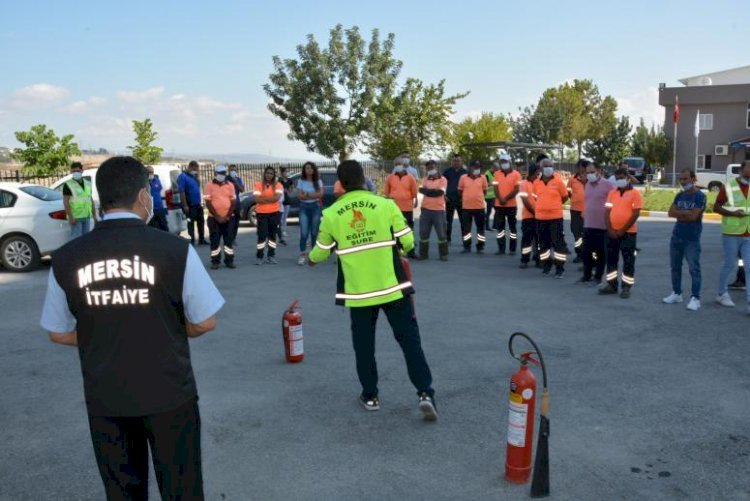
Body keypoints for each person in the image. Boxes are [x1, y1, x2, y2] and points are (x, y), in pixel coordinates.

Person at [40, 156, 224, 500]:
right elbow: (204, 321)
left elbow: (58, 331)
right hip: (170, 393)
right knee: (182, 488)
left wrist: (104, 330)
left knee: (123, 492)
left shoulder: (67, 257)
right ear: (143, 195)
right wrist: (163, 326)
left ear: (100, 198)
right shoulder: (174, 250)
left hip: (106, 398)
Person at [308, 160, 437, 421]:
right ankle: (425, 393)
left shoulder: (332, 214)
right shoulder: (385, 205)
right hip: (393, 288)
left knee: (364, 347)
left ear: (341, 184)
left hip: (359, 294)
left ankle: (371, 396)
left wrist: (310, 258)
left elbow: (320, 254)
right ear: (365, 179)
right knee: (410, 342)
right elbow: (409, 241)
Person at [662, 169, 705, 311]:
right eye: (681, 179)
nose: (683, 182)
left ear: (693, 179)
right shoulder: (679, 195)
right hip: (676, 236)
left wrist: (680, 214)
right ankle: (676, 293)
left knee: (694, 269)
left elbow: (694, 217)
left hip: (691, 238)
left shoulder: (700, 196)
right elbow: (670, 213)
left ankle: (695, 298)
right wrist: (685, 213)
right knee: (675, 267)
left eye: (685, 179)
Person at [713, 160, 750, 312]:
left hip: (748, 233)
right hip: (731, 233)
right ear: (742, 170)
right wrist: (733, 213)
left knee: (749, 267)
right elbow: (716, 207)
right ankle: (721, 294)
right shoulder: (729, 186)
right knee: (729, 264)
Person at [600, 167, 642, 298]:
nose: (620, 180)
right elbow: (607, 212)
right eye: (617, 178)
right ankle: (611, 285)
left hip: (628, 233)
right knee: (611, 260)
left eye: (622, 178)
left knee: (628, 261)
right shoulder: (612, 193)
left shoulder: (635, 193)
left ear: (628, 178)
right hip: (612, 233)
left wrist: (622, 230)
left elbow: (635, 214)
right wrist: (610, 229)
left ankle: (626, 287)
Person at [577, 162, 614, 284]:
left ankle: (598, 277)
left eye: (592, 172)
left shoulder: (607, 185)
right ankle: (586, 276)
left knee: (600, 254)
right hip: (588, 224)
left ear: (598, 170)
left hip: (602, 226)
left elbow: (613, 202)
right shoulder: (587, 185)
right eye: (587, 173)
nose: (589, 175)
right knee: (586, 252)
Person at [533, 158, 569, 278]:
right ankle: (546, 265)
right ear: (541, 168)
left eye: (551, 166)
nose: (549, 168)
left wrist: (553, 205)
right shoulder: (536, 183)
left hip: (555, 218)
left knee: (558, 244)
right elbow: (535, 198)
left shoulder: (558, 182)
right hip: (540, 218)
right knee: (543, 244)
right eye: (546, 166)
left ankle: (560, 268)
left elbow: (564, 197)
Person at [384, 157, 418, 257]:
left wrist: (415, 201)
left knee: (408, 230)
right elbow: (386, 192)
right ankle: (398, 251)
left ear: (403, 165)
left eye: (399, 164)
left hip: (407, 207)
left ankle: (411, 251)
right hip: (393, 208)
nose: (398, 166)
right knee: (394, 230)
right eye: (396, 164)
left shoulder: (410, 177)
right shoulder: (390, 177)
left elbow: (414, 191)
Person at [205, 165, 237, 269]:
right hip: (213, 218)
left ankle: (229, 261)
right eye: (221, 173)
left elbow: (233, 202)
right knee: (215, 241)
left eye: (224, 173)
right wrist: (217, 216)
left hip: (228, 218)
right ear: (215, 173)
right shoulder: (209, 185)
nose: (223, 175)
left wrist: (227, 216)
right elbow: (208, 202)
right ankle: (215, 261)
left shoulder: (230, 185)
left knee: (228, 240)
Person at [418, 160, 449, 261]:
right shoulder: (425, 179)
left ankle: (443, 254)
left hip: (438, 210)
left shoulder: (443, 179)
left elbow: (440, 193)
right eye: (428, 168)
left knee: (441, 233)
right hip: (425, 209)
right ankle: (423, 254)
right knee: (423, 233)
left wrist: (428, 192)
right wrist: (433, 191)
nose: (430, 169)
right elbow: (421, 190)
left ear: (436, 167)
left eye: (432, 167)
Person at [253, 166, 283, 265]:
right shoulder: (258, 184)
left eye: (271, 173)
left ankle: (271, 255)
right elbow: (256, 199)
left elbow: (277, 198)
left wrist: (263, 200)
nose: (269, 175)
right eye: (267, 173)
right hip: (261, 214)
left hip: (274, 213)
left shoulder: (278, 185)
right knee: (261, 235)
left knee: (272, 236)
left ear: (274, 175)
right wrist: (270, 200)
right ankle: (259, 256)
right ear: (264, 174)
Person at [493, 153, 521, 255]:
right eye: (502, 162)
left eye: (505, 161)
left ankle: (512, 249)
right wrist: (500, 198)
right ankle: (501, 249)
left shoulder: (516, 174)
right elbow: (495, 188)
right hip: (499, 205)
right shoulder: (496, 174)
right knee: (500, 228)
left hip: (511, 205)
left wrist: (506, 198)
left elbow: (517, 189)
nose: (503, 164)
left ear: (510, 162)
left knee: (512, 228)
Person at [296, 161, 324, 265]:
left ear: (314, 170)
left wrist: (306, 194)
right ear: (304, 170)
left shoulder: (318, 181)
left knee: (314, 233)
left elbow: (320, 194)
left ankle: (313, 255)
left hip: (315, 207)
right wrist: (313, 194)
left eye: (311, 168)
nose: (309, 170)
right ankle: (302, 254)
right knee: (304, 233)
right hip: (303, 207)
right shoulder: (301, 181)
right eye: (307, 168)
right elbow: (299, 196)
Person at [458, 160, 488, 254]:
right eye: (475, 167)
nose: (477, 169)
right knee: (466, 229)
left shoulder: (483, 178)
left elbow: (485, 191)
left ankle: (480, 246)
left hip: (479, 207)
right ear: (470, 168)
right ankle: (467, 246)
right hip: (466, 208)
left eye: (478, 167)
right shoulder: (463, 177)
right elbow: (460, 191)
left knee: (480, 229)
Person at [63, 162, 97, 238]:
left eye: (77, 171)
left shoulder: (87, 183)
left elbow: (90, 200)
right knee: (76, 239)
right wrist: (70, 217)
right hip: (76, 217)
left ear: (82, 171)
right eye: (73, 171)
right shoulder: (68, 184)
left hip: (87, 216)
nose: (75, 173)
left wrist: (94, 215)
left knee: (85, 239)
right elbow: (66, 202)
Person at [178, 161, 208, 246]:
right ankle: (192, 239)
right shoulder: (183, 177)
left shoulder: (194, 176)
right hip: (189, 205)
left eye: (197, 169)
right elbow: (182, 192)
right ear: (190, 167)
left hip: (197, 204)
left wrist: (197, 176)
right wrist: (185, 205)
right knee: (190, 222)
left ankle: (201, 239)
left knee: (201, 221)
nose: (196, 170)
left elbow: (198, 187)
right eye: (194, 169)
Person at [518, 164, 540, 269]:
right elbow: (525, 201)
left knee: (539, 240)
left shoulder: (538, 183)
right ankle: (524, 260)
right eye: (537, 172)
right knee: (527, 240)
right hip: (528, 216)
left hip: (539, 216)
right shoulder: (524, 184)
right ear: (533, 172)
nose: (538, 174)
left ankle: (538, 259)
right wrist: (534, 212)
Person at [443, 153, 468, 243]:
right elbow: (442, 184)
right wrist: (444, 196)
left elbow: (468, 186)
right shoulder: (447, 171)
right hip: (449, 200)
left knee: (463, 222)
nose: (456, 162)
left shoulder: (465, 172)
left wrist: (464, 197)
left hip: (461, 200)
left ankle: (465, 240)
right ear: (452, 162)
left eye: (458, 161)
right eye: (454, 161)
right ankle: (447, 239)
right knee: (448, 221)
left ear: (461, 162)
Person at [568, 160, 587, 263]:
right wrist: (574, 199)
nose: (581, 169)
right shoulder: (572, 179)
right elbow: (568, 191)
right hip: (575, 210)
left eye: (583, 167)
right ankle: (579, 254)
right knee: (576, 232)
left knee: (586, 233)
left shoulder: (590, 179)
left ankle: (586, 254)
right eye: (579, 167)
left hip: (587, 211)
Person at [146, 165, 169, 232]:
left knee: (164, 227)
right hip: (150, 210)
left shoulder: (157, 180)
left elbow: (160, 189)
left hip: (159, 208)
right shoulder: (144, 182)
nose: (151, 174)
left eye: (152, 172)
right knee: (152, 229)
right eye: (149, 172)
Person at [227, 164, 245, 241]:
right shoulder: (225, 179)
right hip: (228, 203)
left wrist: (236, 182)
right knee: (229, 222)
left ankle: (233, 238)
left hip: (237, 203)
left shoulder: (239, 179)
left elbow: (242, 190)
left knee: (236, 222)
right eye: (231, 170)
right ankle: (228, 238)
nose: (233, 171)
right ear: (228, 171)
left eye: (234, 170)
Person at [278, 166, 293, 239]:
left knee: (285, 217)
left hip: (287, 200)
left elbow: (291, 188)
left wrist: (289, 191)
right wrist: (283, 190)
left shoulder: (289, 180)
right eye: (285, 171)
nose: (286, 173)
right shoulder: (279, 180)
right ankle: (279, 231)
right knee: (280, 218)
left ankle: (284, 231)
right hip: (280, 201)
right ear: (282, 172)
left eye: (287, 171)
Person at [484, 161, 499, 230]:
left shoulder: (494, 174)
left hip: (493, 196)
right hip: (488, 196)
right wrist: (492, 183)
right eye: (496, 169)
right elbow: (485, 185)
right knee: (490, 211)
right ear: (492, 167)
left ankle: (494, 226)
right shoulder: (486, 174)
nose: (497, 170)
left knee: (496, 210)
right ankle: (487, 226)